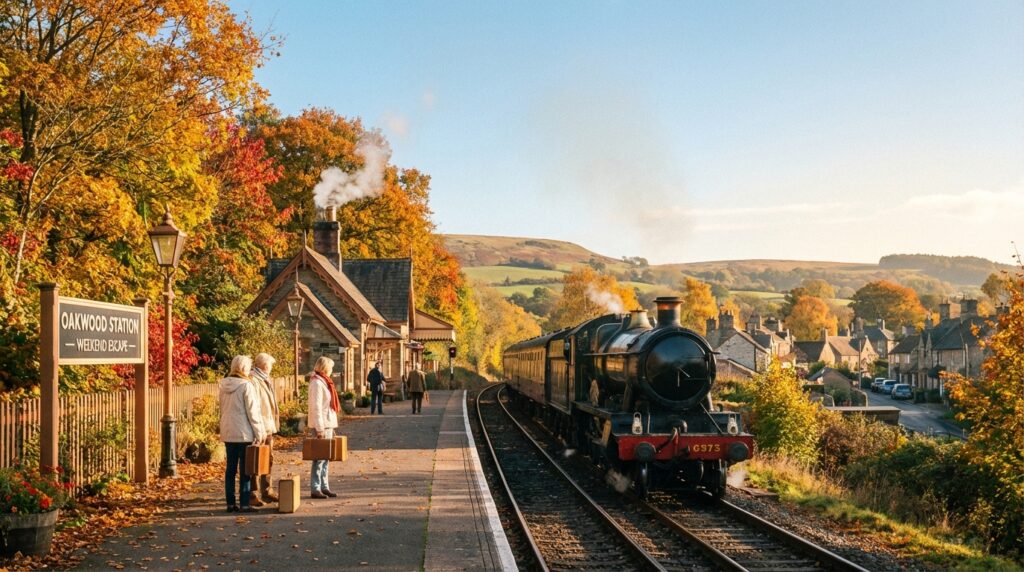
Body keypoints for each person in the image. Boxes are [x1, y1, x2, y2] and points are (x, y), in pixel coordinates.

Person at [219, 355, 266, 513]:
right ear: (245, 368)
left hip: (228, 431)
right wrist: (259, 433)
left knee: (230, 469)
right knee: (245, 470)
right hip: (244, 433)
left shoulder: (223, 384)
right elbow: (253, 412)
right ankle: (245, 503)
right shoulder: (247, 385)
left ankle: (230, 503)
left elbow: (222, 409)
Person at [248, 353, 279, 507]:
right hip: (261, 426)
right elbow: (255, 407)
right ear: (265, 365)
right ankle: (254, 493)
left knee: (268, 459)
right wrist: (259, 428)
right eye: (271, 365)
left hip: (268, 425)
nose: (271, 368)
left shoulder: (265, 379)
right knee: (256, 461)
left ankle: (267, 490)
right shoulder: (254, 380)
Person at [308, 356, 340, 499]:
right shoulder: (317, 383)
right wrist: (320, 428)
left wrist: (332, 426)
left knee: (326, 457)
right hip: (321, 425)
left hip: (328, 423)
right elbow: (316, 408)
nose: (332, 370)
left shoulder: (325, 382)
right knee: (319, 458)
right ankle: (315, 488)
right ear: (325, 368)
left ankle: (324, 486)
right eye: (331, 367)